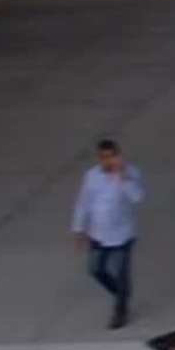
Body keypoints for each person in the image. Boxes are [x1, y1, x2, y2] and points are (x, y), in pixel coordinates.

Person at [71, 138, 142, 330]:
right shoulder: (91, 176)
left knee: (121, 273)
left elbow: (137, 197)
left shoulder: (131, 174)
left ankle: (120, 310)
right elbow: (84, 203)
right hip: (98, 234)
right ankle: (121, 294)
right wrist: (79, 229)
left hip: (121, 236)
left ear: (118, 156)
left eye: (111, 156)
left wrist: (123, 177)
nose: (108, 161)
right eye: (104, 157)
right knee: (95, 270)